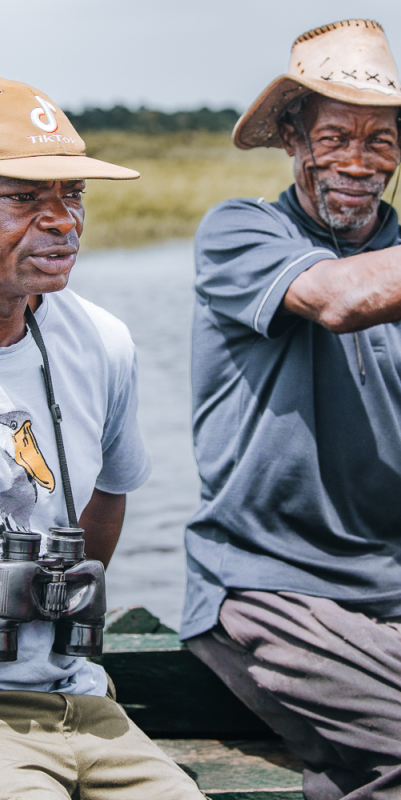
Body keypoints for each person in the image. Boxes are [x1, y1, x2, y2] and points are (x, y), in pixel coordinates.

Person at [0, 75, 203, 799]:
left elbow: (105, 503)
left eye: (73, 194)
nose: (62, 220)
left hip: (79, 698)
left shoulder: (100, 341)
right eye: (23, 197)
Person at [182, 19, 401, 800]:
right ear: (290, 137)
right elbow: (342, 297)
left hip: (389, 593)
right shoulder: (244, 232)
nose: (356, 162)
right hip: (270, 588)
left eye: (381, 141)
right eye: (334, 135)